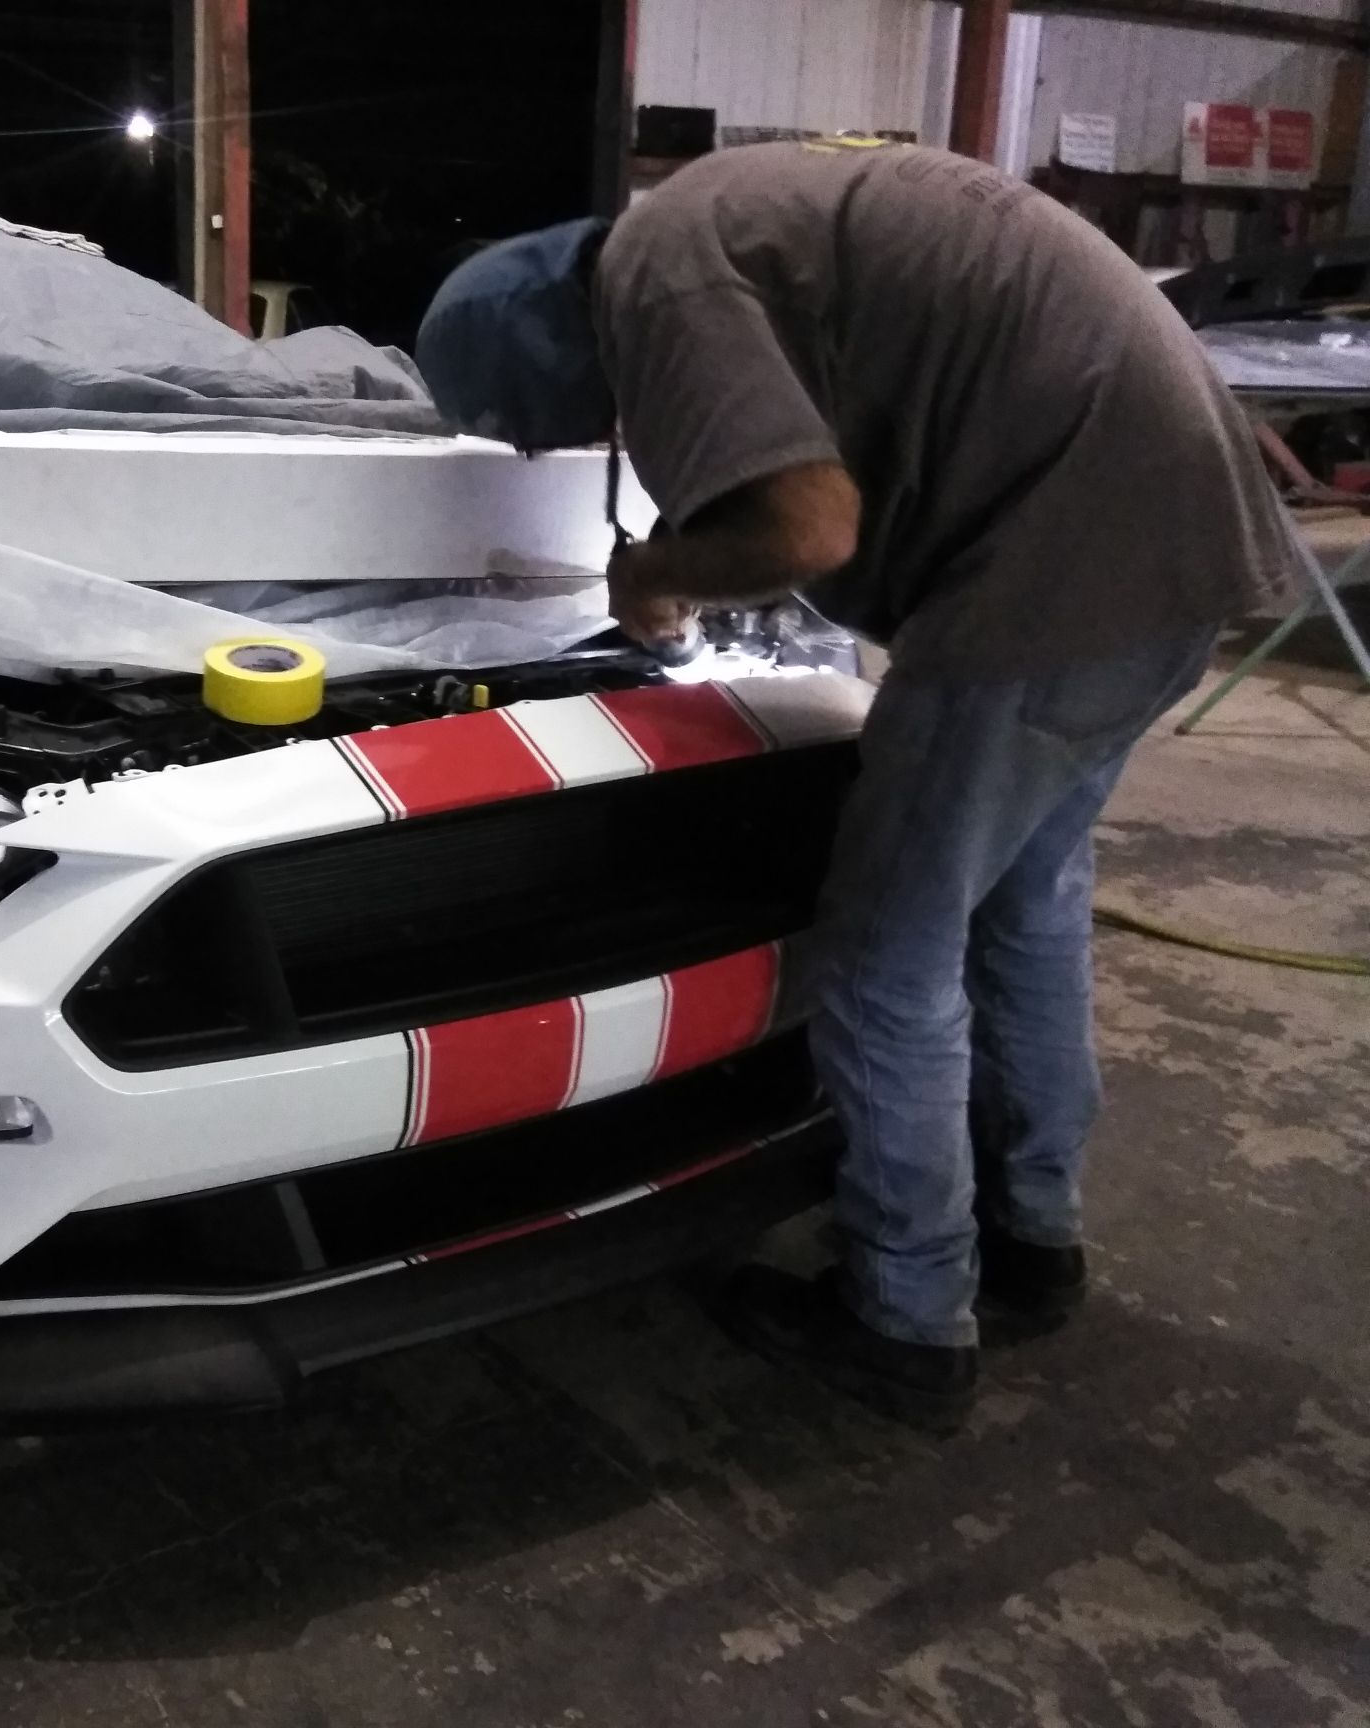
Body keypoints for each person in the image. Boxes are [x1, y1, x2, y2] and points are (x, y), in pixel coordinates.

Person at [415, 141, 1295, 1432]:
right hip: (1173, 541)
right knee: (1026, 905)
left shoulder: (656, 277)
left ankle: (905, 1317)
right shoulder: (722, 215)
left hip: (1059, 568)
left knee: (886, 955)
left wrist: (659, 575)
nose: (602, 434)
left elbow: (808, 528)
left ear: (553, 349)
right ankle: (1032, 1236)